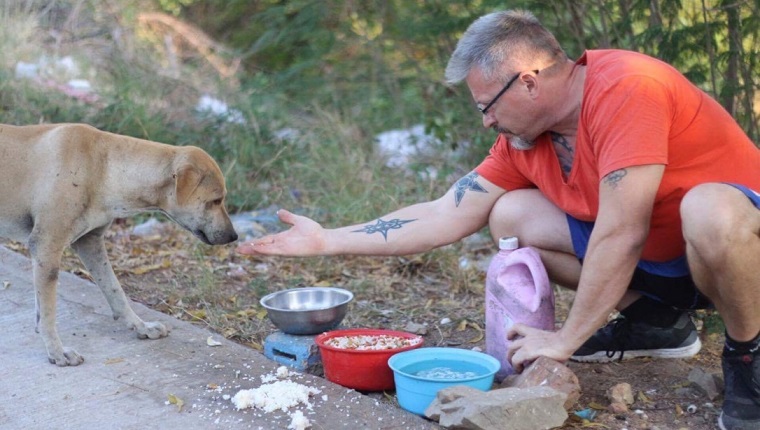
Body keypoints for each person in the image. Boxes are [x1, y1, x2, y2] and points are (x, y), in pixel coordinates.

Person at [237, 9, 760, 430]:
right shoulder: (524, 142)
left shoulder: (629, 87)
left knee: (707, 209)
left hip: (734, 254)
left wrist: (565, 339)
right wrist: (327, 239)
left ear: (529, 82)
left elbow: (622, 232)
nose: (486, 120)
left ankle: (747, 356)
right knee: (511, 214)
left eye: (487, 105)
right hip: (669, 267)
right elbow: (445, 213)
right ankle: (658, 323)